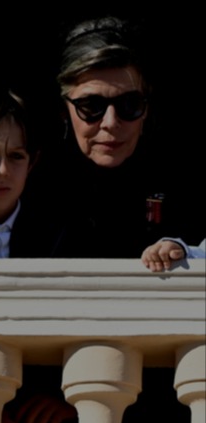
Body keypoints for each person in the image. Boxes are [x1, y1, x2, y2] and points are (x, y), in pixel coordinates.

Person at [26, 15, 198, 258]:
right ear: (64, 111)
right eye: (91, 105)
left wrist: (188, 252)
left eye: (130, 104)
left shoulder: (184, 183)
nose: (111, 123)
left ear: (146, 109)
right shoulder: (25, 184)